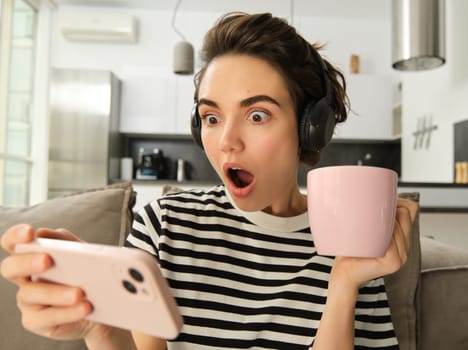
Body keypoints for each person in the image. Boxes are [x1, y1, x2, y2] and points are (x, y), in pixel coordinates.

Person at [0, 12, 418, 350]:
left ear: (311, 128)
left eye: (257, 115)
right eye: (211, 118)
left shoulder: (349, 242)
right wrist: (101, 328)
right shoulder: (164, 226)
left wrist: (343, 285)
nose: (226, 142)